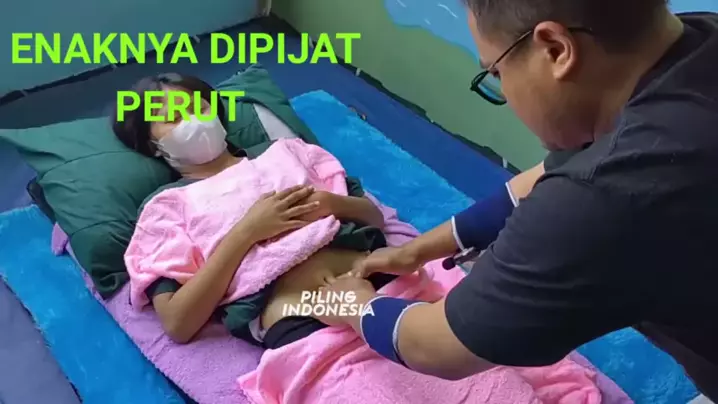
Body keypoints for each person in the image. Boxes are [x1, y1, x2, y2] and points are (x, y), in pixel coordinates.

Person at [316, 0, 718, 400]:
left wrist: (355, 305)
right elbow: (548, 174)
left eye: (496, 72)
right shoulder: (693, 43)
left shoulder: (606, 194)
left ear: (555, 49)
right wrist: (417, 250)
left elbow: (436, 346)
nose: (503, 89)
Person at [111, 73, 397, 348]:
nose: (194, 121)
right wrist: (246, 233)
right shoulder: (165, 208)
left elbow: (375, 218)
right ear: (152, 145)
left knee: (418, 338)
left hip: (373, 273)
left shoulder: (289, 151)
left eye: (200, 108)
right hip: (299, 318)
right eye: (174, 118)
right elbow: (178, 323)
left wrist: (331, 203)